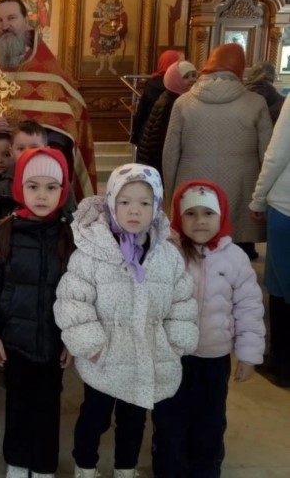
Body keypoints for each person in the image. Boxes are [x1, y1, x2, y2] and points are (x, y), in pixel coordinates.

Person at [54, 163, 198, 478]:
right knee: (94, 417)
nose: (134, 210)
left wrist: (175, 343)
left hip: (145, 357)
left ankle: (125, 468)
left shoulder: (167, 256)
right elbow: (73, 301)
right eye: (125, 201)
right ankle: (85, 466)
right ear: (111, 204)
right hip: (104, 358)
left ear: (156, 207)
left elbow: (182, 301)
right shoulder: (92, 252)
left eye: (144, 203)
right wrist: (92, 347)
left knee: (134, 420)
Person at [152, 180, 265, 478]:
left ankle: (205, 469)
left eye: (208, 213)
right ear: (178, 217)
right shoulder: (168, 254)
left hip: (214, 359)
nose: (200, 221)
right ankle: (169, 469)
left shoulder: (236, 258)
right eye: (190, 213)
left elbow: (249, 308)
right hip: (172, 357)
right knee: (169, 419)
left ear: (222, 215)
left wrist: (249, 355)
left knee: (210, 420)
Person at [0, 148, 74, 478]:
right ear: (20, 187)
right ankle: (18, 461)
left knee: (48, 405)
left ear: (62, 190)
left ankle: (44, 464)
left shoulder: (69, 236)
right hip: (15, 341)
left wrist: (71, 341)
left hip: (53, 342)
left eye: (51, 187)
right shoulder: (6, 231)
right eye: (33, 186)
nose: (42, 195)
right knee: (18, 403)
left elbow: (78, 294)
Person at [0, 0, 96, 200]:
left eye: (12, 18)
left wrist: (34, 146)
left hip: (38, 178)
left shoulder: (49, 73)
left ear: (26, 22)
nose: (5, 26)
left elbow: (68, 129)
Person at [163, 43, 272, 260]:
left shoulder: (183, 103)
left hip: (194, 186)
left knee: (194, 252)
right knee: (237, 255)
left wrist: (171, 195)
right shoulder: (256, 103)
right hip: (242, 187)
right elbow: (267, 154)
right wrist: (263, 196)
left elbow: (170, 154)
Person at [250, 95, 290, 387]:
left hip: (287, 207)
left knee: (280, 286)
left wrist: (258, 199)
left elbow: (277, 154)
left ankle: (282, 363)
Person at [135, 60, 197, 177]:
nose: (192, 79)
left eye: (194, 75)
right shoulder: (173, 103)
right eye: (186, 77)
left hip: (155, 160)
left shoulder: (171, 97)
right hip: (158, 162)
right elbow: (165, 140)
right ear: (175, 79)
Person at [130, 50, 184, 147]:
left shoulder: (151, 84)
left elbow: (142, 113)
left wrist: (136, 136)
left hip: (150, 133)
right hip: (171, 135)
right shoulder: (180, 86)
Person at [0, 120, 49, 201]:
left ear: (47, 151)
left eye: (34, 148)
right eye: (21, 148)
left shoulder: (57, 182)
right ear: (11, 152)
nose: (27, 153)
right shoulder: (3, 187)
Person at [90, 0, 129, 76]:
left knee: (112, 50)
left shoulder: (118, 2)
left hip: (113, 29)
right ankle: (101, 67)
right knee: (102, 50)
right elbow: (95, 14)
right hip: (103, 28)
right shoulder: (102, 2)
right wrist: (103, 17)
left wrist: (118, 20)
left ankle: (111, 67)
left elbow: (122, 15)